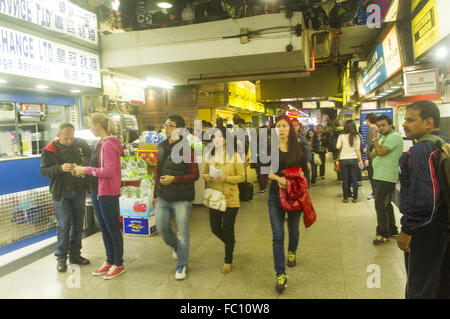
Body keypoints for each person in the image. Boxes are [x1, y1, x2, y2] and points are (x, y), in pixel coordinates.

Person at [398, 100, 450, 299]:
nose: (405, 124)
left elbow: (425, 200)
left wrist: (407, 229)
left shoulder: (422, 150)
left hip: (426, 231)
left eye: (411, 120)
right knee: (440, 283)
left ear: (428, 122)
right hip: (443, 226)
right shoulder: (443, 142)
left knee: (420, 286)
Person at [73, 113, 124, 280]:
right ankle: (110, 260)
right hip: (97, 191)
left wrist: (86, 170)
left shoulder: (109, 144)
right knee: (104, 228)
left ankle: (118, 262)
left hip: (107, 193)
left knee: (112, 228)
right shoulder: (99, 143)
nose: (90, 128)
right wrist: (83, 172)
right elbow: (96, 167)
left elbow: (109, 171)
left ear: (98, 125)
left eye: (91, 125)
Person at [152, 115, 199, 280]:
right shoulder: (162, 146)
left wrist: (175, 179)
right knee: (162, 228)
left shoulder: (187, 149)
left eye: (170, 126)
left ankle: (182, 264)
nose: (166, 128)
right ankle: (177, 247)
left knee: (182, 230)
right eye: (165, 125)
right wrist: (154, 193)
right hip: (163, 195)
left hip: (181, 197)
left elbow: (195, 174)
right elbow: (157, 171)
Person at [40, 123, 92, 272]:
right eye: (66, 138)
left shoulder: (80, 144)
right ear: (59, 136)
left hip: (79, 191)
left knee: (77, 225)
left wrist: (84, 169)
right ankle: (61, 258)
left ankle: (75, 255)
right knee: (64, 226)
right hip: (61, 193)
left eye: (71, 137)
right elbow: (43, 170)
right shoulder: (49, 150)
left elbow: (91, 160)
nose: (69, 141)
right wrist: (60, 168)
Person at [267, 116, 306, 293]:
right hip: (275, 196)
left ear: (290, 128)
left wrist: (295, 180)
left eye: (284, 126)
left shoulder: (297, 149)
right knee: (277, 235)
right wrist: (279, 178)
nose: (281, 129)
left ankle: (292, 252)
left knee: (293, 229)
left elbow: (302, 171)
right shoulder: (270, 148)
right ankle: (280, 274)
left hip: (294, 196)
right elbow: (267, 173)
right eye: (278, 126)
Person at [202, 127, 245, 274]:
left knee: (227, 227)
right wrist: (207, 176)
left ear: (226, 139)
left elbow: (242, 177)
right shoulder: (209, 155)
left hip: (230, 198)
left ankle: (228, 260)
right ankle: (230, 243)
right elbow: (204, 173)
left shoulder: (235, 156)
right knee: (215, 228)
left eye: (220, 137)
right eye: (214, 137)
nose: (217, 140)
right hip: (215, 197)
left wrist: (225, 178)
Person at [369, 115, 403, 245]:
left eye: (383, 125)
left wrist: (375, 140)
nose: (380, 128)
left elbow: (381, 152)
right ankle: (392, 229)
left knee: (380, 205)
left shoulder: (394, 136)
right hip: (379, 175)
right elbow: (372, 154)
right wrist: (377, 143)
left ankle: (382, 234)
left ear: (390, 125)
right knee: (386, 204)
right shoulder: (383, 138)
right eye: (378, 126)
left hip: (386, 176)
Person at [336, 120, 363, 203]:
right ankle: (355, 198)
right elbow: (358, 150)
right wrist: (360, 160)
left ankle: (345, 198)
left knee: (345, 179)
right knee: (354, 179)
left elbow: (337, 147)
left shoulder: (341, 136)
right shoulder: (357, 136)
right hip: (353, 159)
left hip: (343, 160)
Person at [292, 120, 312, 185]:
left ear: (298, 127)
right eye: (292, 125)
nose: (293, 127)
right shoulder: (286, 136)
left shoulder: (301, 137)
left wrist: (308, 161)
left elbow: (307, 150)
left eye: (296, 125)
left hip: (300, 162)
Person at [364, 113, 378, 200]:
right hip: (377, 155)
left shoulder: (371, 130)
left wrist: (366, 158)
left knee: (372, 175)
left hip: (372, 156)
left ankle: (375, 194)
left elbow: (370, 145)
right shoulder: (377, 128)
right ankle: (376, 193)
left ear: (368, 120)